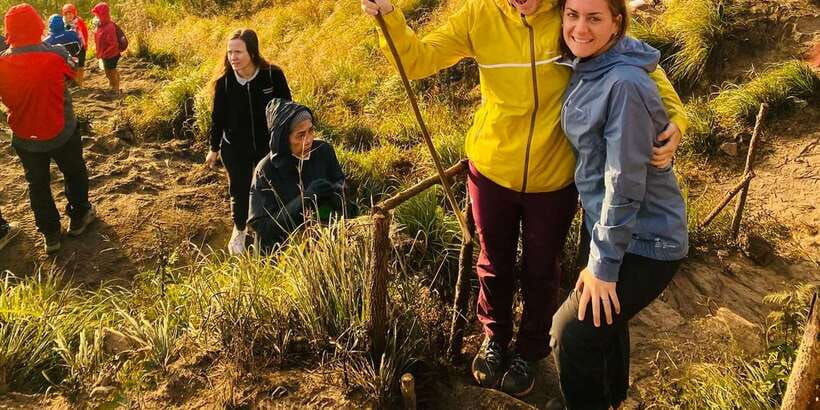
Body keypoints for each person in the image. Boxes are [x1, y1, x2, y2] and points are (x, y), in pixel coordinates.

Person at [360, 0, 688, 396]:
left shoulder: (570, 12)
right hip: (492, 170)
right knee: (493, 262)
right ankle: (495, 338)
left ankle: (530, 350)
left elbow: (634, 57)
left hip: (554, 175)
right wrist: (388, 15)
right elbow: (416, 60)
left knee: (541, 269)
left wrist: (676, 117)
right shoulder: (478, 15)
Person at [548, 0, 688, 407]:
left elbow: (623, 182)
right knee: (605, 323)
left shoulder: (624, 84)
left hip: (647, 240)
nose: (580, 28)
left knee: (569, 334)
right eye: (572, 15)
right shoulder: (591, 64)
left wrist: (604, 267)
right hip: (609, 227)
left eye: (594, 18)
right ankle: (611, 399)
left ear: (617, 23)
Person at [0, 3, 95, 254]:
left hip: (24, 135)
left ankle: (50, 234)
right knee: (74, 172)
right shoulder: (56, 54)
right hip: (61, 129)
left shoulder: (1, 63)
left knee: (37, 184)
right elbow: (73, 75)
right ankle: (79, 216)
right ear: (37, 26)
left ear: (8, 31)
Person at [205, 29, 292, 255]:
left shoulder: (272, 76)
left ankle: (271, 230)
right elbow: (217, 117)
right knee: (240, 189)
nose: (233, 57)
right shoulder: (225, 83)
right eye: (230, 52)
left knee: (270, 186)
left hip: (267, 144)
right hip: (235, 147)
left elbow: (287, 109)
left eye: (238, 52)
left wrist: (289, 140)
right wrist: (213, 148)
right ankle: (240, 230)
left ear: (252, 52)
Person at [247, 99, 347, 252]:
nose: (309, 140)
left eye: (311, 131)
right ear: (283, 139)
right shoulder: (265, 171)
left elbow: (341, 183)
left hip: (322, 245)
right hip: (280, 254)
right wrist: (305, 199)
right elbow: (262, 228)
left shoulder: (323, 151)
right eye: (300, 135)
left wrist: (336, 191)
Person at [90, 2, 121, 95]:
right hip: (104, 54)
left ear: (102, 14)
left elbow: (113, 44)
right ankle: (112, 85)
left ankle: (116, 88)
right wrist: (99, 52)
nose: (95, 17)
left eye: (97, 14)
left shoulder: (109, 27)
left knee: (111, 71)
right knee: (108, 72)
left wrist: (105, 53)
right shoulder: (100, 25)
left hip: (111, 54)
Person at [62, 4, 89, 86]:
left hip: (80, 47)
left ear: (74, 13)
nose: (68, 15)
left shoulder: (79, 21)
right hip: (69, 48)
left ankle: (79, 84)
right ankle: (72, 84)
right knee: (71, 66)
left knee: (80, 66)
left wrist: (85, 44)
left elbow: (85, 33)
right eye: (66, 14)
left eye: (70, 13)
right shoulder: (62, 23)